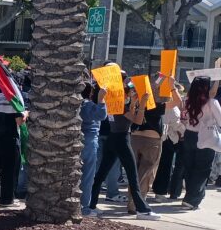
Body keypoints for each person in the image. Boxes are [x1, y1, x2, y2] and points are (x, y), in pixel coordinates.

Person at [87, 82, 159, 219]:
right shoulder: (120, 106)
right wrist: (142, 103)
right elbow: (137, 121)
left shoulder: (113, 105)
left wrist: (133, 103)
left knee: (101, 174)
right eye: (128, 92)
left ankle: (90, 205)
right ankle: (142, 209)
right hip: (122, 141)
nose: (130, 93)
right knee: (133, 176)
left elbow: (128, 120)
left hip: (112, 139)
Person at [179, 76, 221, 210]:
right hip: (206, 137)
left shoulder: (187, 100)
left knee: (190, 167)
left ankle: (191, 196)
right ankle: (191, 200)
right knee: (202, 169)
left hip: (189, 135)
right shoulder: (211, 102)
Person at [129, 80, 171, 213]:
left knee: (133, 171)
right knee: (146, 173)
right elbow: (179, 104)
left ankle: (131, 203)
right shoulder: (158, 105)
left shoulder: (137, 103)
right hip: (152, 140)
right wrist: (173, 87)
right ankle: (139, 203)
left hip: (135, 137)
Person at [77, 82, 109, 217]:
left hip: (78, 140)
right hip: (90, 141)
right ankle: (85, 208)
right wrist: (102, 100)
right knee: (88, 176)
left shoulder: (77, 105)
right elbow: (102, 115)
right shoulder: (88, 105)